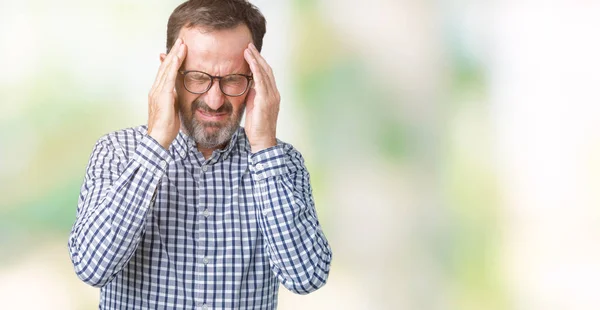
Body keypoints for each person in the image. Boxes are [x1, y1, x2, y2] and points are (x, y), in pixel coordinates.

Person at [67, 0, 332, 308]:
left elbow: (306, 278)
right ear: (168, 72)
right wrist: (155, 145)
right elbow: (90, 267)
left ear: (257, 80)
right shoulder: (117, 152)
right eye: (197, 77)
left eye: (233, 79)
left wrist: (263, 145)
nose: (215, 100)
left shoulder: (282, 163)